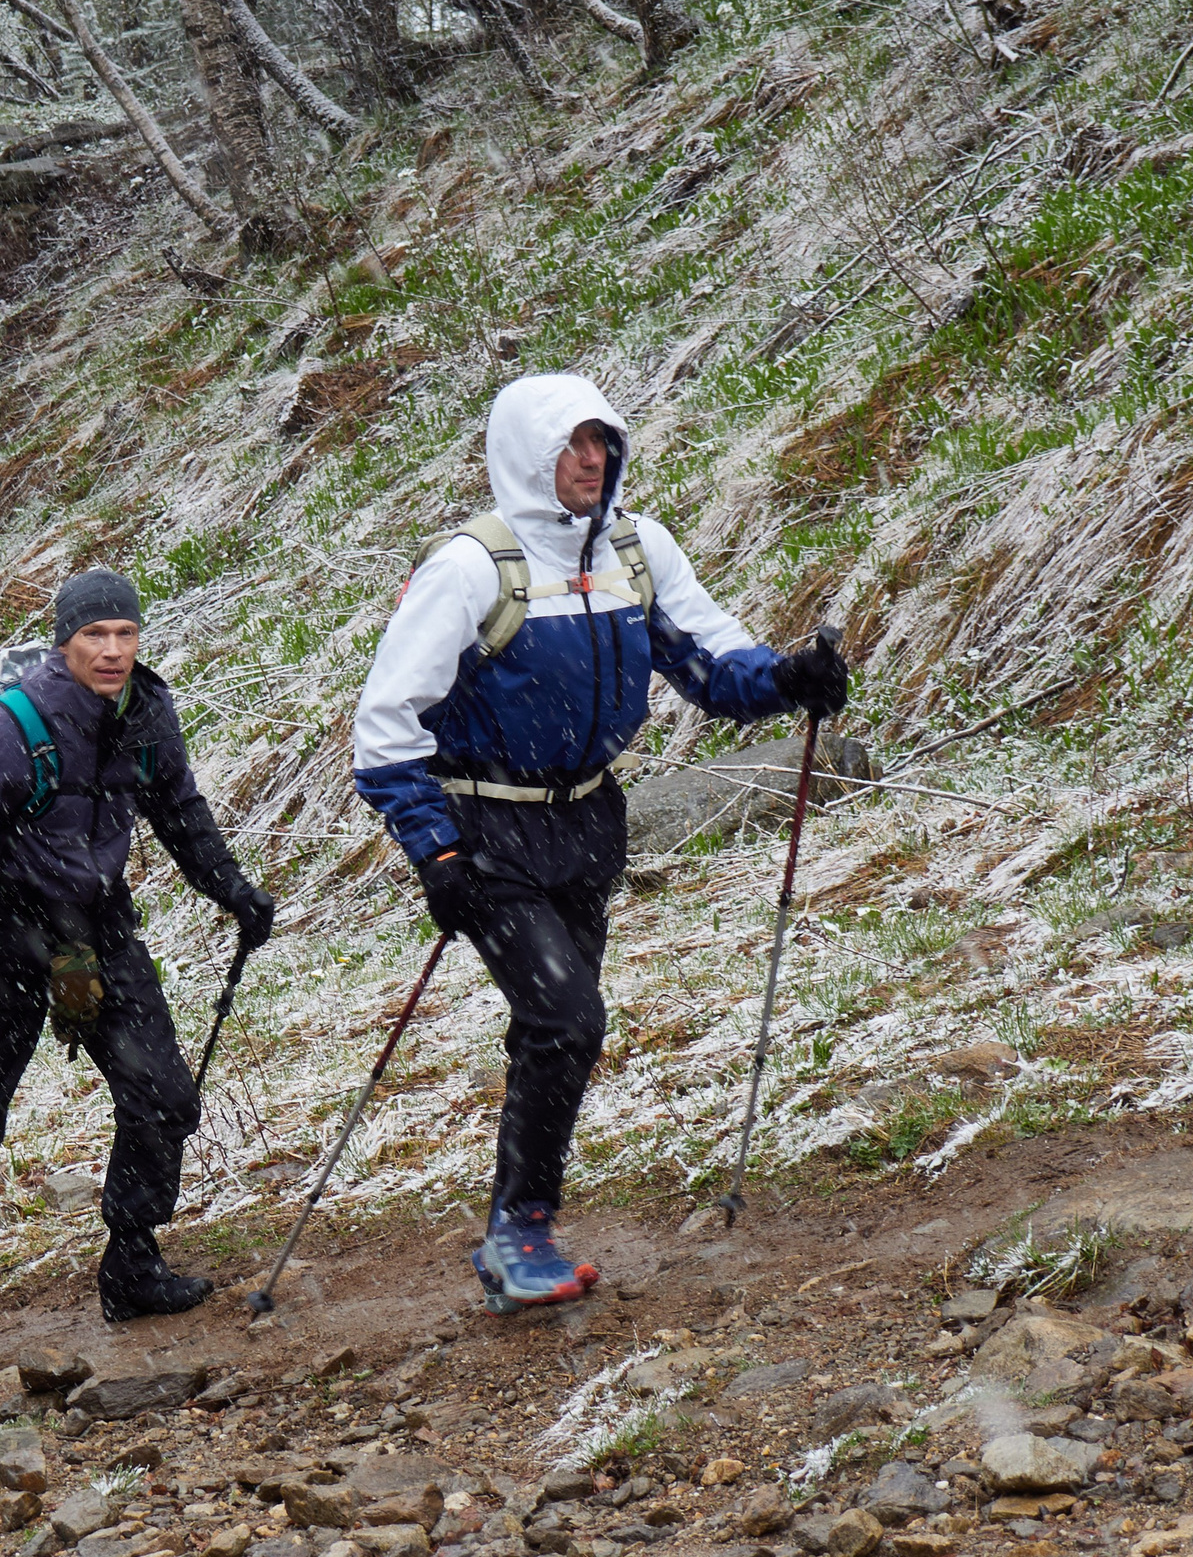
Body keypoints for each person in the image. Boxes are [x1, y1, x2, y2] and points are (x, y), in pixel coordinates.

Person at [351, 372, 851, 1307]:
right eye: (572, 444)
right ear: (530, 454)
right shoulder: (470, 567)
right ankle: (520, 1233)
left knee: (561, 1031)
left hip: (588, 822)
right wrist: (437, 853)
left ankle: (520, 1231)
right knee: (568, 1018)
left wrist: (790, 680)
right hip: (485, 825)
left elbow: (711, 663)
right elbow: (385, 726)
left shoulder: (637, 549)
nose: (592, 460)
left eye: (602, 441)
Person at [0, 569, 276, 1346]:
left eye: (126, 634)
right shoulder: (6, 732)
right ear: (63, 641)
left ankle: (131, 1268)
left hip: (98, 928)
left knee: (165, 1097)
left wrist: (233, 891)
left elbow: (178, 810)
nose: (113, 650)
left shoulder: (146, 712)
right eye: (95, 635)